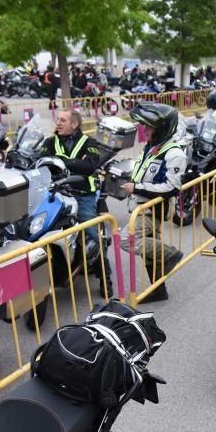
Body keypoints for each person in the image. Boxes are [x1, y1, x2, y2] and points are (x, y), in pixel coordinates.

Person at [37, 108, 111, 292]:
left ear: (74, 124)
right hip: (55, 193)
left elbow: (90, 165)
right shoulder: (49, 141)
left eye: (63, 120)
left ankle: (105, 279)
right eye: (58, 119)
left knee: (93, 236)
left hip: (82, 193)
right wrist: (75, 163)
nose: (58, 123)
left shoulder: (89, 142)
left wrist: (60, 160)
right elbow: (41, 161)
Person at [119, 103, 185, 302]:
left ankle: (171, 255)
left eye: (149, 127)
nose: (144, 130)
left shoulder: (174, 153)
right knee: (149, 254)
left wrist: (137, 188)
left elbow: (172, 188)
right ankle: (158, 291)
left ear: (161, 129)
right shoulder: (151, 148)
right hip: (139, 206)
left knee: (126, 240)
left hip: (152, 210)